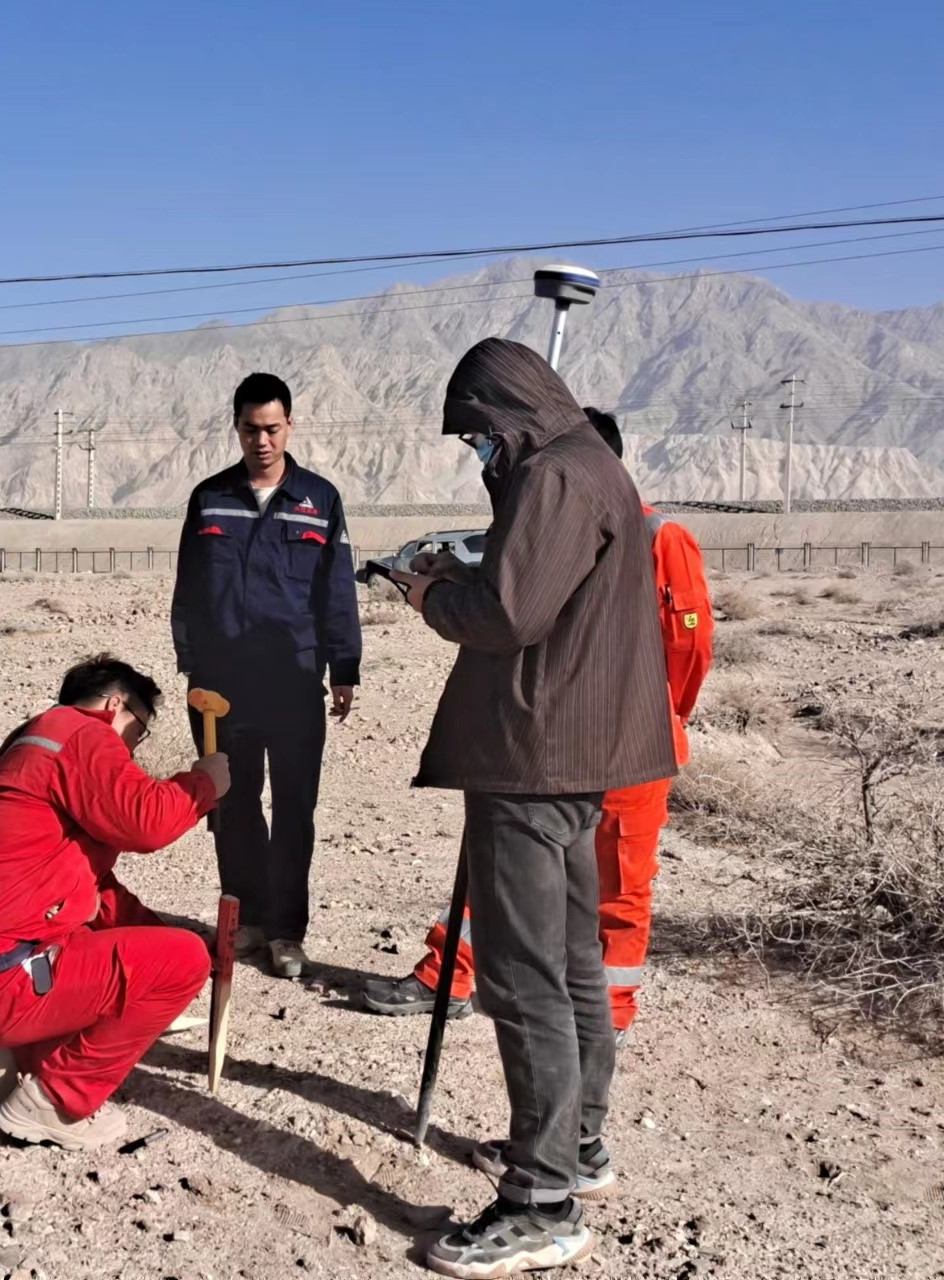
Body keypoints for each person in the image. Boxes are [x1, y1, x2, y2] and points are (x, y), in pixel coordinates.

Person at [391, 343, 676, 1278]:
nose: (477, 453)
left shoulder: (554, 476)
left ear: (503, 415)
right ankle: (577, 1145)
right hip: (577, 758)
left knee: (522, 980)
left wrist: (431, 592)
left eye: (476, 437)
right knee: (572, 959)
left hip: (531, 759)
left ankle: (542, 1202)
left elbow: (508, 616)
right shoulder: (594, 465)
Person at [358, 408, 714, 1054]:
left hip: (632, 748)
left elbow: (688, 648)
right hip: (548, 740)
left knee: (620, 883)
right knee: (497, 859)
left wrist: (662, 720)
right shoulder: (537, 530)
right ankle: (449, 975)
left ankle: (605, 1021)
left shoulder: (659, 537)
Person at [0, 655, 232, 1150]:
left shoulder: (31, 743)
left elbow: (95, 889)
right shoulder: (82, 733)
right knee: (182, 961)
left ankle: (2, 1057)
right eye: (138, 731)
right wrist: (204, 784)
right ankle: (54, 1103)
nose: (132, 749)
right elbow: (146, 823)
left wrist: (160, 936)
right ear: (115, 704)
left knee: (118, 944)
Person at [170, 372, 361, 979]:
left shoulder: (319, 500)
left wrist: (344, 666)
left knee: (295, 809)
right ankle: (246, 919)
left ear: (290, 427)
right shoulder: (210, 498)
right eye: (251, 429)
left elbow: (336, 590)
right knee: (232, 805)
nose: (262, 441)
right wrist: (190, 665)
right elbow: (188, 588)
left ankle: (285, 932)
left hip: (294, 682)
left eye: (273, 428)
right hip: (222, 687)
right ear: (236, 428)